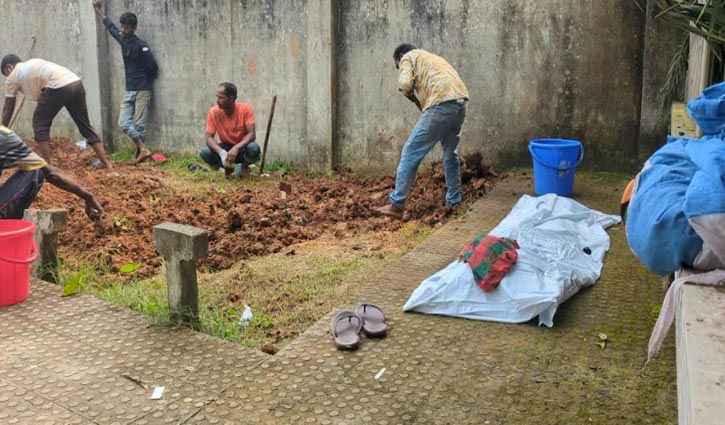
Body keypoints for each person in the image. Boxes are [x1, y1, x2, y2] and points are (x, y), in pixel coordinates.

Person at [374, 43, 469, 220]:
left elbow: (404, 84)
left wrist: (406, 91)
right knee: (450, 153)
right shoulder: (433, 59)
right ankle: (454, 202)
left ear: (400, 56)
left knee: (411, 151)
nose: (400, 68)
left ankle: (397, 204)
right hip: (460, 102)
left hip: (441, 103)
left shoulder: (408, 57)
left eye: (398, 66)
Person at [1, 55, 112, 169]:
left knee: (39, 123)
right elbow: (43, 94)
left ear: (9, 67)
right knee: (84, 124)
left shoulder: (13, 75)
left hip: (58, 86)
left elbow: (8, 107)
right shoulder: (33, 63)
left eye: (6, 73)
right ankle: (106, 163)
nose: (7, 77)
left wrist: (2, 132)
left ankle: (48, 167)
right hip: (75, 82)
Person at [92, 0, 159, 165]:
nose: (123, 30)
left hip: (143, 90)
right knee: (123, 123)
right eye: (122, 27)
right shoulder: (123, 39)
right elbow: (110, 26)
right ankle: (143, 149)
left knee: (139, 125)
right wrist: (98, 10)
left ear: (134, 28)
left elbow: (153, 67)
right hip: (129, 90)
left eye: (126, 28)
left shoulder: (141, 45)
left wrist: (144, 81)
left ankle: (139, 157)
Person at [0, 125, 102, 221]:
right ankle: (7, 230)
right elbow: (50, 173)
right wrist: (87, 196)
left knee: (36, 168)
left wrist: (87, 196)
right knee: (36, 170)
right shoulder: (5, 137)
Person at [200, 82, 261, 176]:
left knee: (254, 149)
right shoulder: (214, 112)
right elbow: (209, 138)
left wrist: (236, 148)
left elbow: (251, 135)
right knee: (205, 152)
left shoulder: (245, 109)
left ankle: (244, 167)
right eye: (217, 97)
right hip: (226, 147)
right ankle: (225, 168)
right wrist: (221, 152)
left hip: (242, 148)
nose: (217, 101)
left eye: (221, 98)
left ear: (231, 98)